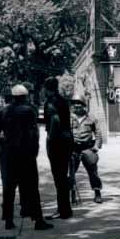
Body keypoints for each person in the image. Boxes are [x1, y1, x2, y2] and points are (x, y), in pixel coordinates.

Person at [0, 84, 52, 230]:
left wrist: (3, 145)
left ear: (13, 97)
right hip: (26, 155)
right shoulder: (29, 111)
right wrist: (35, 150)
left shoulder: (3, 112)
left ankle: (8, 220)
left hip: (8, 156)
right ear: (25, 96)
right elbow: (34, 133)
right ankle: (38, 220)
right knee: (32, 188)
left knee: (8, 189)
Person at [44, 74, 74, 219]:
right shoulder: (63, 100)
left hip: (57, 141)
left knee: (59, 177)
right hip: (67, 139)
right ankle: (65, 209)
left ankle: (63, 210)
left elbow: (55, 120)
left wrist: (50, 137)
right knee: (63, 175)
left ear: (46, 89)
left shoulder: (51, 101)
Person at [70, 93, 103, 204]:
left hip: (87, 148)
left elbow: (98, 133)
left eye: (79, 104)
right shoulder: (69, 118)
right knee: (70, 173)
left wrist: (97, 146)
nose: (76, 106)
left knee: (93, 172)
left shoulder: (91, 118)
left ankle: (97, 192)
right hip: (73, 149)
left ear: (83, 105)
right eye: (74, 104)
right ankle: (71, 194)